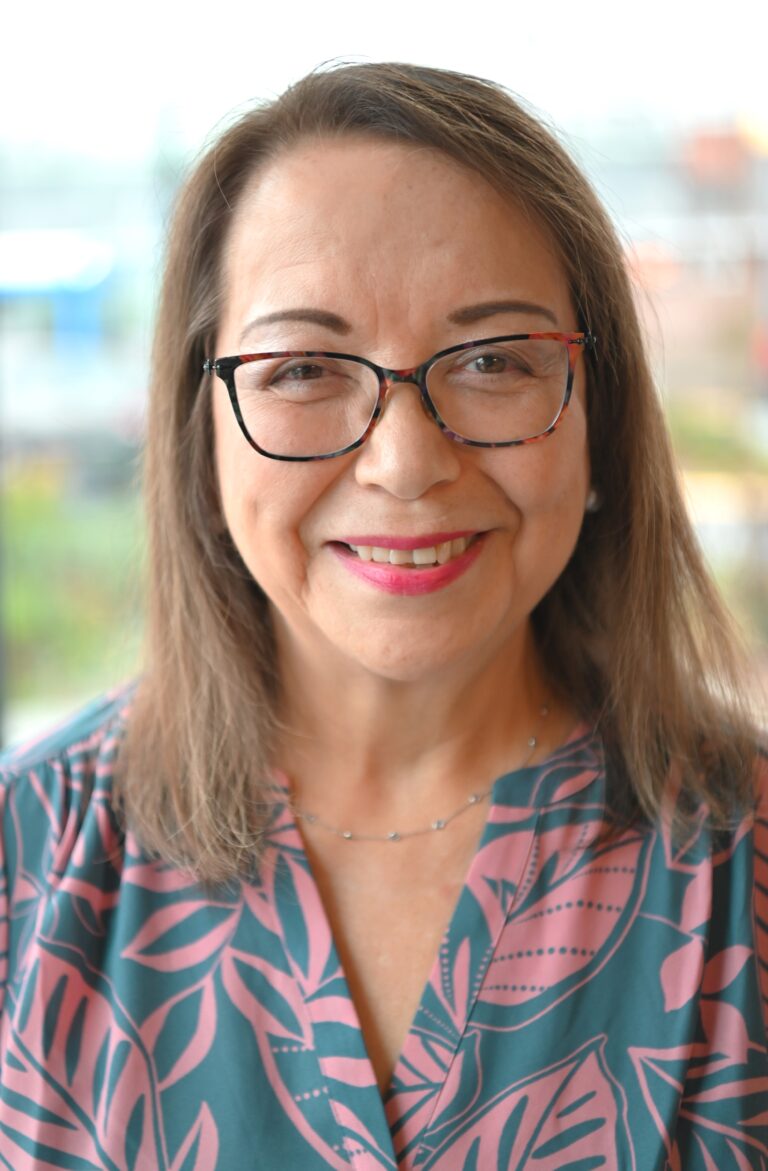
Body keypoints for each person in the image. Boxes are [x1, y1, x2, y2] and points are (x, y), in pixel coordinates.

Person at [1, 61, 766, 1170]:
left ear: (597, 417)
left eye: (494, 359)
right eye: (305, 368)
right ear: (198, 430)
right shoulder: (24, 860)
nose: (405, 463)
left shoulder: (747, 859)